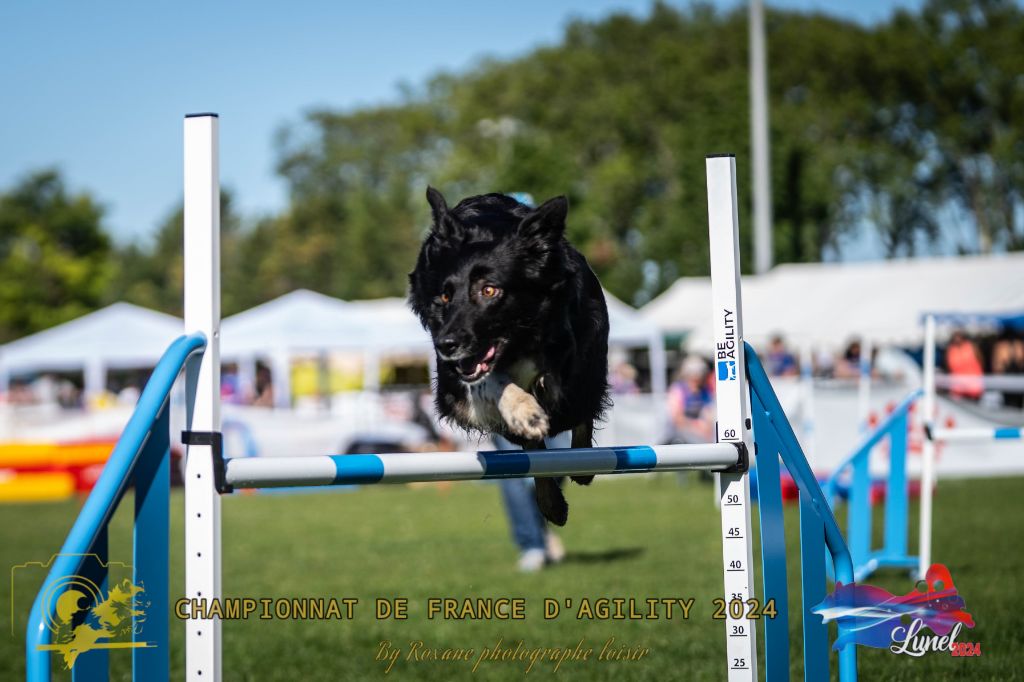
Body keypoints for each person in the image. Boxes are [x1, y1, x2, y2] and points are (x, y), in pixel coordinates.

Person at [666, 356, 714, 443]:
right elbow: (677, 419)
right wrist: (696, 426)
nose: (696, 379)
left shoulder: (705, 391)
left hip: (698, 437)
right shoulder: (678, 390)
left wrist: (704, 427)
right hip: (677, 436)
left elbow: (708, 416)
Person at [945, 330, 984, 400]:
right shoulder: (951, 349)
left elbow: (980, 360)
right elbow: (949, 366)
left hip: (973, 387)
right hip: (958, 388)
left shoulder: (971, 346)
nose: (957, 339)